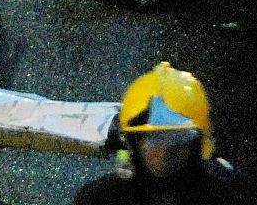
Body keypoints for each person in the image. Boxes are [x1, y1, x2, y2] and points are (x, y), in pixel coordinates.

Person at [74, 63, 238, 204]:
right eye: (154, 139)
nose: (164, 152)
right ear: (134, 142)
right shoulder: (100, 199)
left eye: (176, 139)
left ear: (196, 143)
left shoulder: (224, 196)